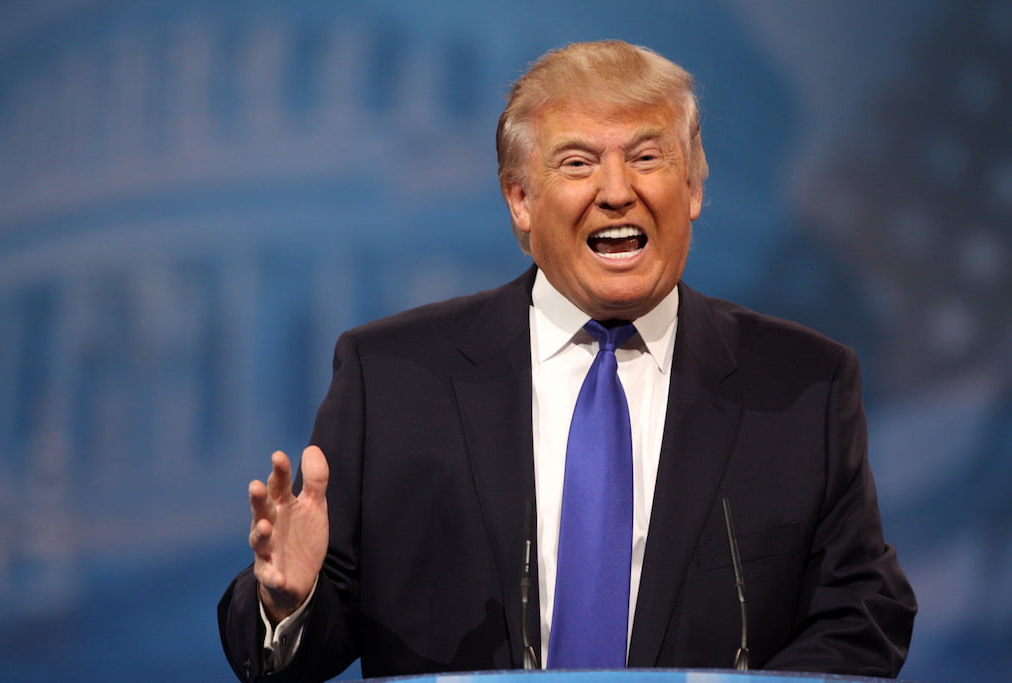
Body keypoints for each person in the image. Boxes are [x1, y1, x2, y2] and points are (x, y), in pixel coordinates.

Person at [218, 40, 916, 682]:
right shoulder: (393, 377)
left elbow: (863, 615)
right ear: (520, 200)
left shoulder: (802, 385)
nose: (617, 190)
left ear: (695, 187)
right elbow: (283, 655)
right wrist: (290, 600)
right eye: (578, 163)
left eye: (648, 157)